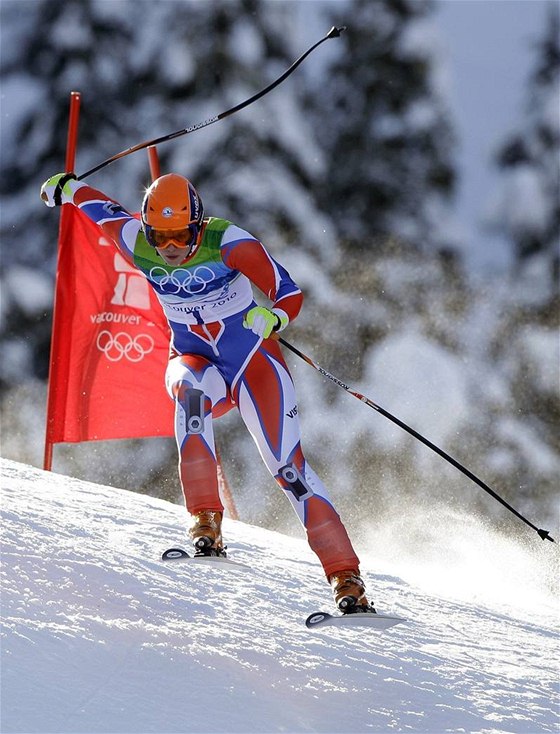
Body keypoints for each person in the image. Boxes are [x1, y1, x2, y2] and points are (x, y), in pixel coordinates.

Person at [41, 171, 375, 614]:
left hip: (253, 365)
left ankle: (345, 578)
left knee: (288, 470)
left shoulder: (229, 242)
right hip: (198, 362)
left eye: (181, 235)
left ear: (197, 226)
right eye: (161, 238)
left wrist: (275, 318)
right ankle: (205, 522)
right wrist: (66, 189)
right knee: (188, 393)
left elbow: (288, 290)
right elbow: (97, 206)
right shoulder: (135, 240)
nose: (171, 249)